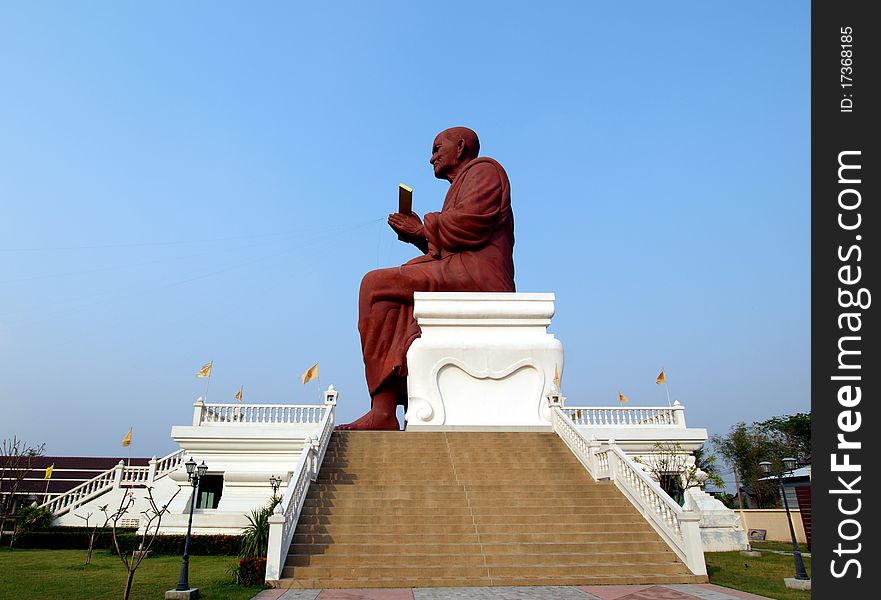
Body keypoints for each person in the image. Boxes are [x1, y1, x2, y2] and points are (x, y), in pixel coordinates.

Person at [336, 127, 515, 430]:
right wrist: (419, 237)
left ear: (459, 147)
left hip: (480, 274)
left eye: (436, 149)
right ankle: (383, 410)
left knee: (375, 285)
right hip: (460, 266)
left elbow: (472, 224)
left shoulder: (485, 170)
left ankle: (382, 410)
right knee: (394, 285)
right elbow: (453, 239)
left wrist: (423, 230)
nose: (430, 158)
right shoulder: (462, 183)